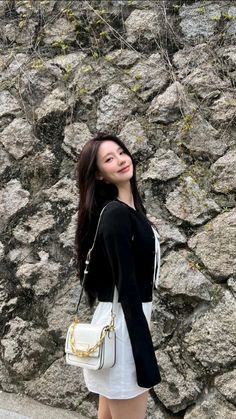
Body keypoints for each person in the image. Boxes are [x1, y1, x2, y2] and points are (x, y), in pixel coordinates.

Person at [75, 132, 161, 419]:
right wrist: (144, 354)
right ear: (99, 175)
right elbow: (126, 287)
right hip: (124, 329)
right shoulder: (115, 215)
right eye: (109, 159)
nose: (121, 160)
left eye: (121, 152)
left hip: (124, 325)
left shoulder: (129, 210)